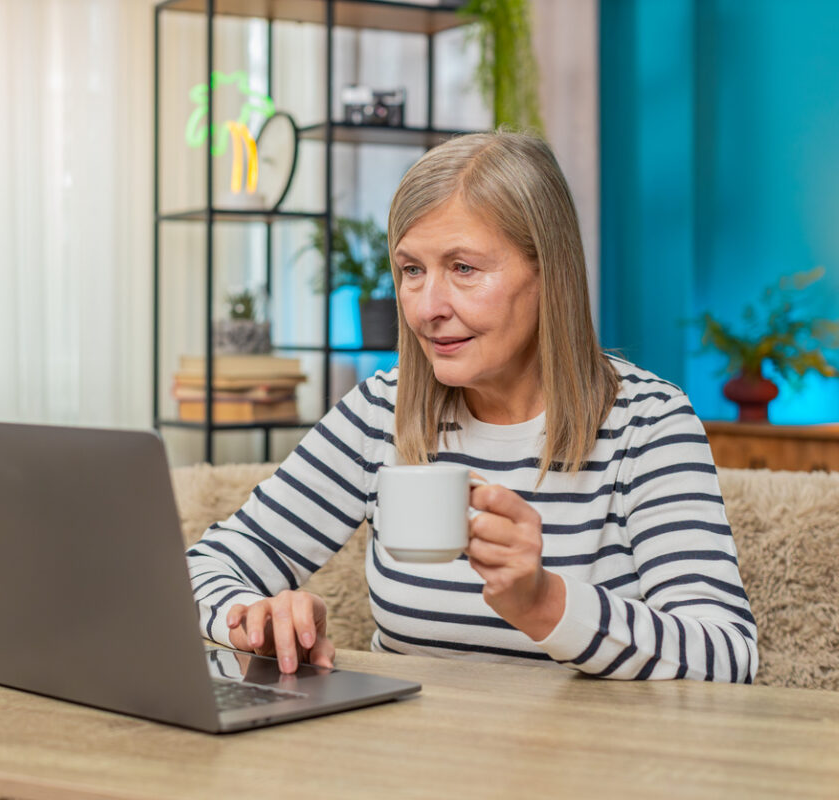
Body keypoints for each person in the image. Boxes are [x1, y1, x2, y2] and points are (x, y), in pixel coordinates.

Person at [185, 131, 757, 683]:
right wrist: (252, 620)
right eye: (412, 270)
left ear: (548, 274)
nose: (428, 306)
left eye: (463, 269)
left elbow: (727, 654)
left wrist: (545, 604)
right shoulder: (381, 411)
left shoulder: (647, 423)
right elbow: (199, 569)